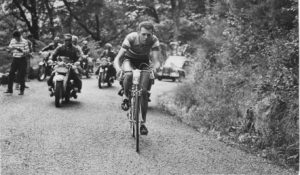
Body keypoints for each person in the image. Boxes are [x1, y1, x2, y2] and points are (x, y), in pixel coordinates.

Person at [114, 21, 160, 135]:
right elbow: (117, 58)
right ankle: (125, 96)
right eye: (143, 34)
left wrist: (155, 68)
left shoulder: (154, 40)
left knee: (144, 92)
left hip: (144, 62)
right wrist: (118, 69)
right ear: (138, 32)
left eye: (149, 35)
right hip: (128, 60)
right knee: (129, 75)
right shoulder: (131, 38)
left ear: (152, 34)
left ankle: (143, 124)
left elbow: (156, 61)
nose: (146, 37)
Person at [4, 30, 30, 95]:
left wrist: (23, 51)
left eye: (17, 38)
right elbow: (9, 48)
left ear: (20, 36)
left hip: (22, 59)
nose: (16, 39)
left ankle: (22, 90)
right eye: (15, 38)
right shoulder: (13, 40)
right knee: (11, 74)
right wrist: (10, 48)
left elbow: (27, 51)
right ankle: (10, 90)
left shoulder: (25, 41)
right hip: (15, 59)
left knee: (21, 75)